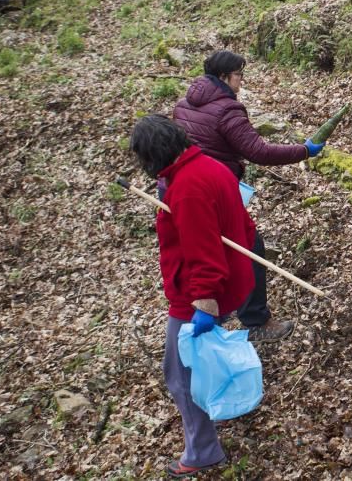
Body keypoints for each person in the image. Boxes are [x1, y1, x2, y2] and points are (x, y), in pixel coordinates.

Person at [130, 115, 255, 478]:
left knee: (179, 373)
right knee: (196, 363)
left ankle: (202, 450)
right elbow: (244, 226)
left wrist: (203, 304)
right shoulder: (211, 166)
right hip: (230, 279)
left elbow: (202, 254)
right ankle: (223, 403)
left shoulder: (187, 188)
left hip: (199, 294)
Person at [172, 50, 324, 342]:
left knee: (209, 251)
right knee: (249, 246)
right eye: (239, 75)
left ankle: (216, 312)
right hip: (216, 194)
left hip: (186, 192)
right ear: (224, 77)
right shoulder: (227, 110)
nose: (241, 81)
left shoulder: (184, 104)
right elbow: (259, 152)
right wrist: (304, 151)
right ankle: (256, 320)